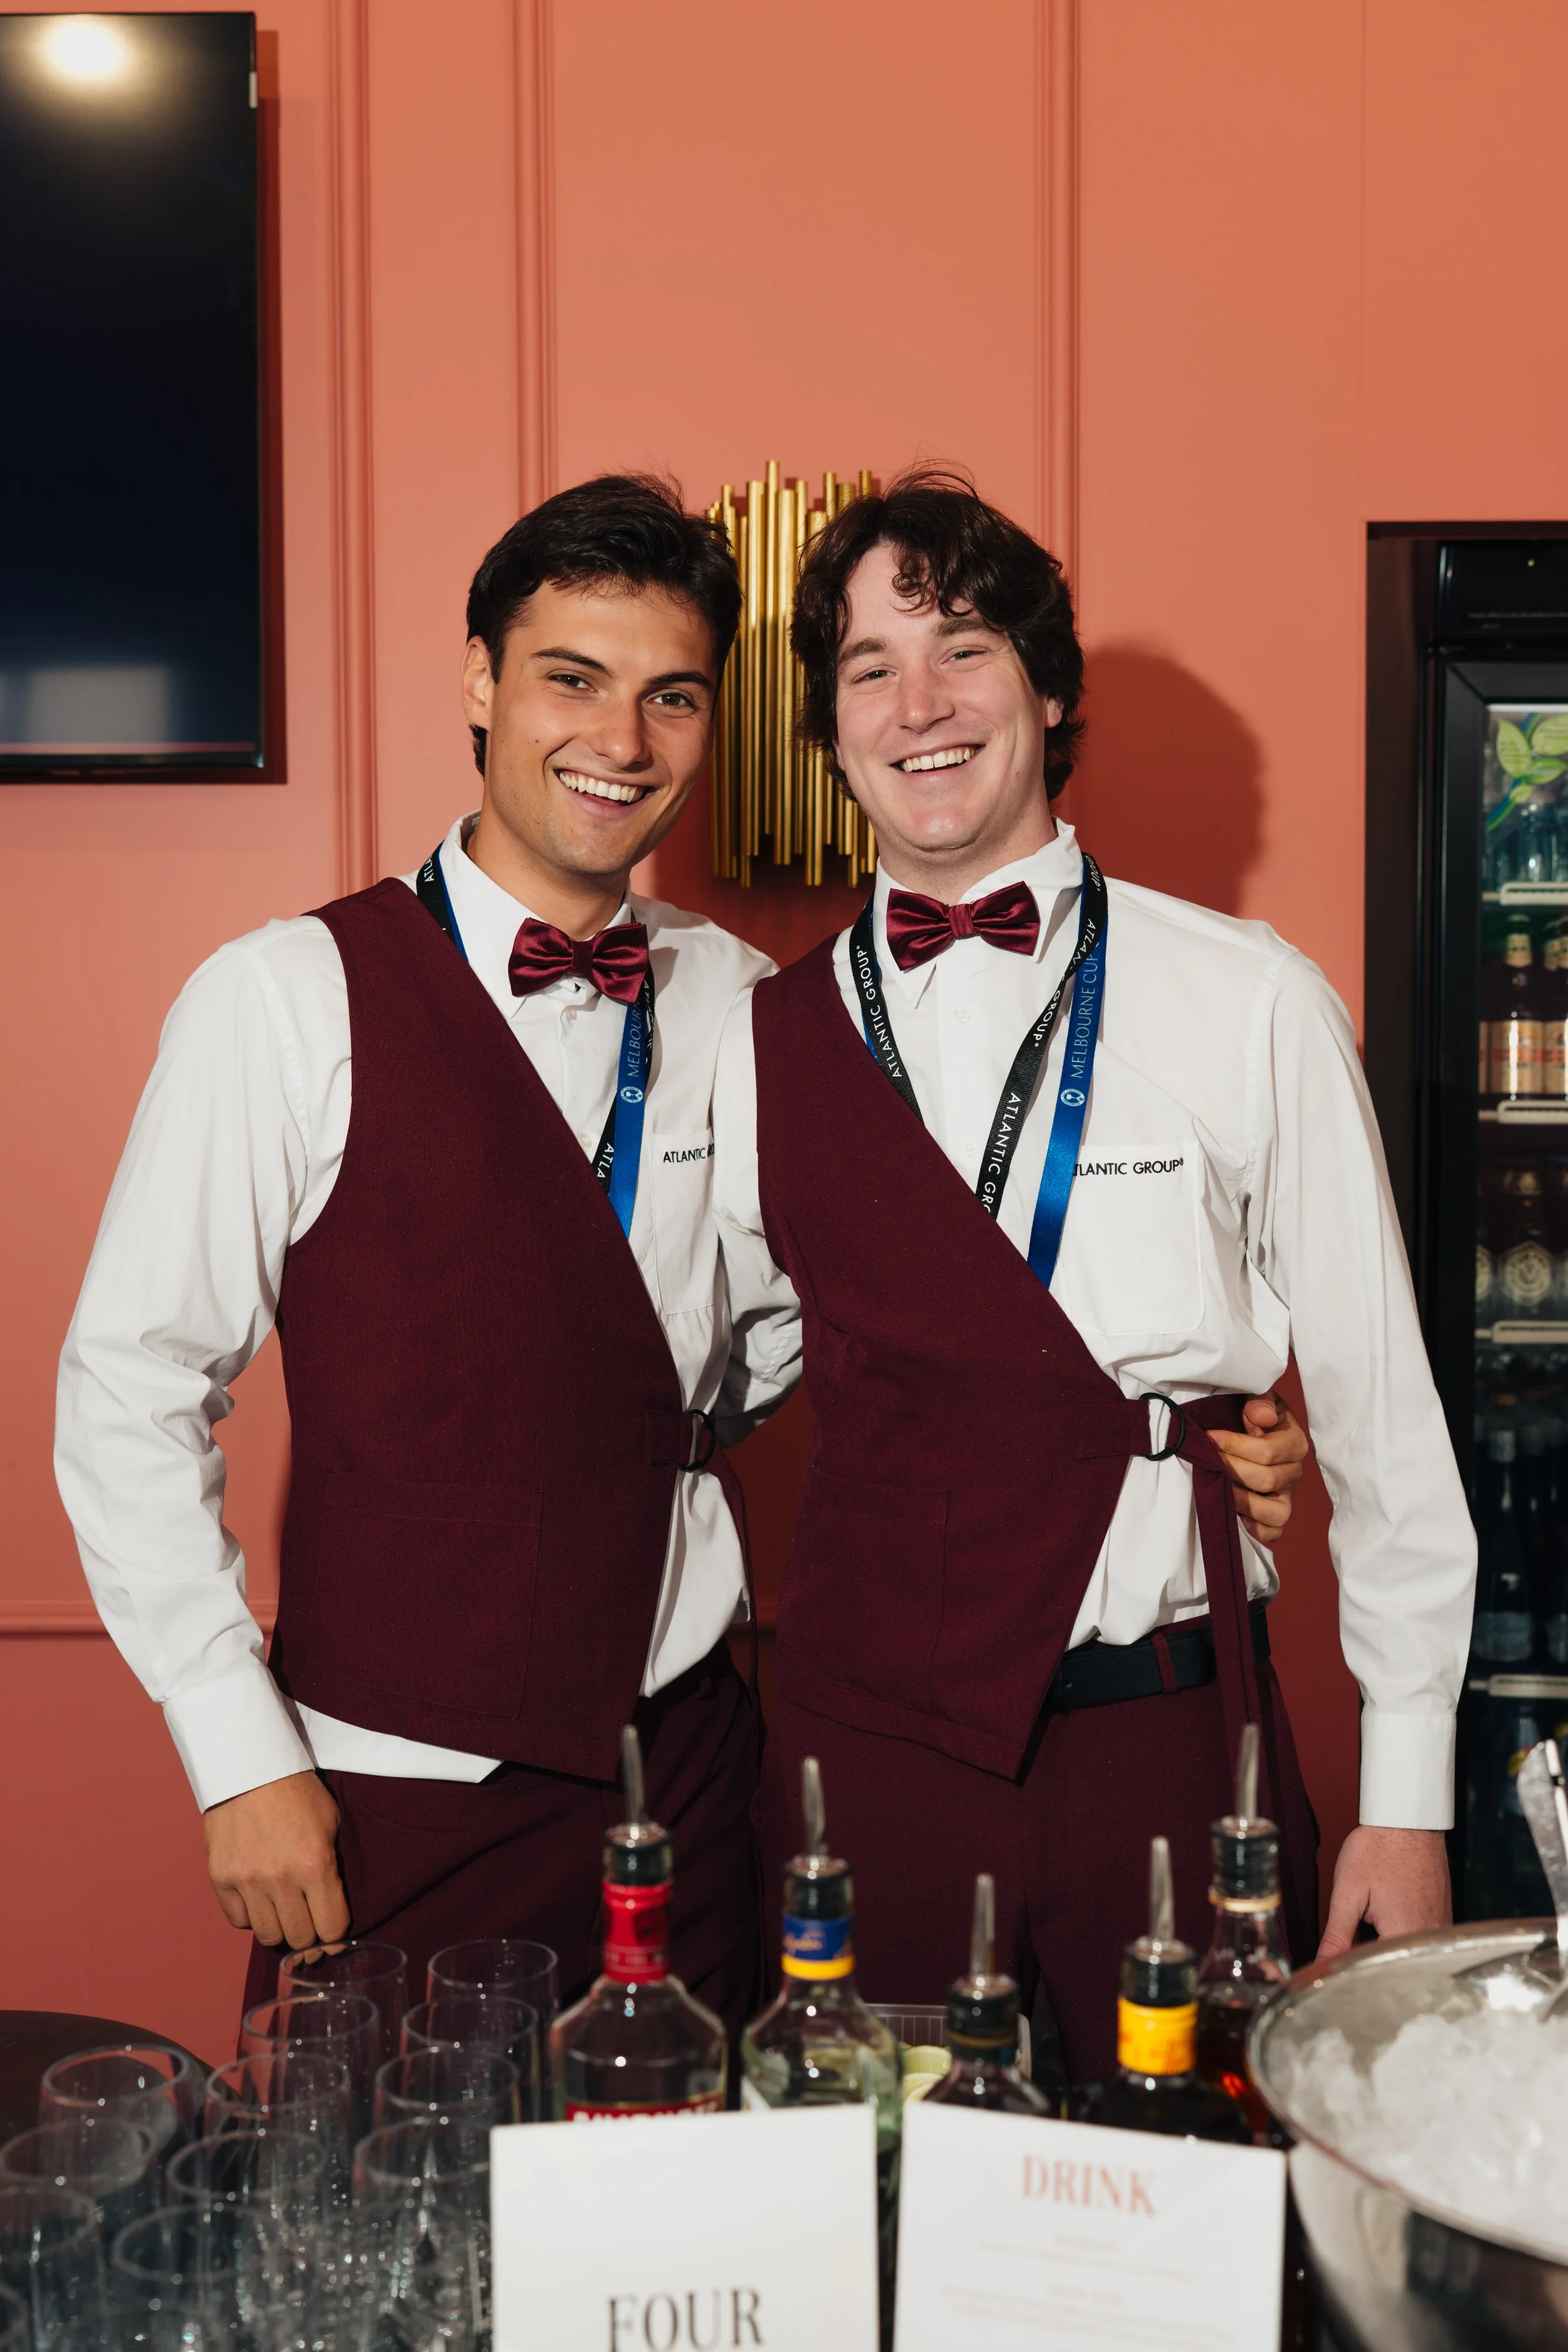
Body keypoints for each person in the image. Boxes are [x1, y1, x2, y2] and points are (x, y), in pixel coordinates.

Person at [712, 470, 1475, 2082]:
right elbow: (718, 1377)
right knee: (880, 2227)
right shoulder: (750, 1042)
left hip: (1169, 1734)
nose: (918, 706)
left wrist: (1404, 1806)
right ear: (831, 729)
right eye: (867, 669)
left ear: (1047, 691)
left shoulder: (1247, 998)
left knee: (1193, 2237)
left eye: (963, 648)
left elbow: (1384, 1423)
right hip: (868, 1757)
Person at [55, 475, 803, 2038]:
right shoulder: (277, 999)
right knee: (380, 2239)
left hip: (691, 1763)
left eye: (671, 696)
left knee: (690, 2245)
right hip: (398, 1784)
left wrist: (1181, 1431)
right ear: (479, 680)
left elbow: (840, 1319)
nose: (622, 739)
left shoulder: (746, 1000)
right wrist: (235, 1748)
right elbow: (129, 1387)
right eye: (570, 679)